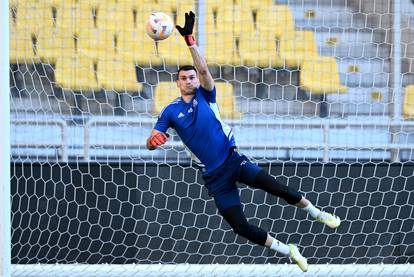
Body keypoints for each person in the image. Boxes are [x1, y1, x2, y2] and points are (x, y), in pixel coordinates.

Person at [146, 11, 341, 272]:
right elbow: (151, 141)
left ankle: (319, 214)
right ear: (177, 82)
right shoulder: (170, 111)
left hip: (233, 161)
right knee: (239, 227)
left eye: (192, 77)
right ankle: (288, 250)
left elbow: (203, 68)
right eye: (184, 78)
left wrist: (190, 41)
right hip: (214, 177)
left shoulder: (206, 95)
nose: (189, 80)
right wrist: (153, 140)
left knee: (278, 189)